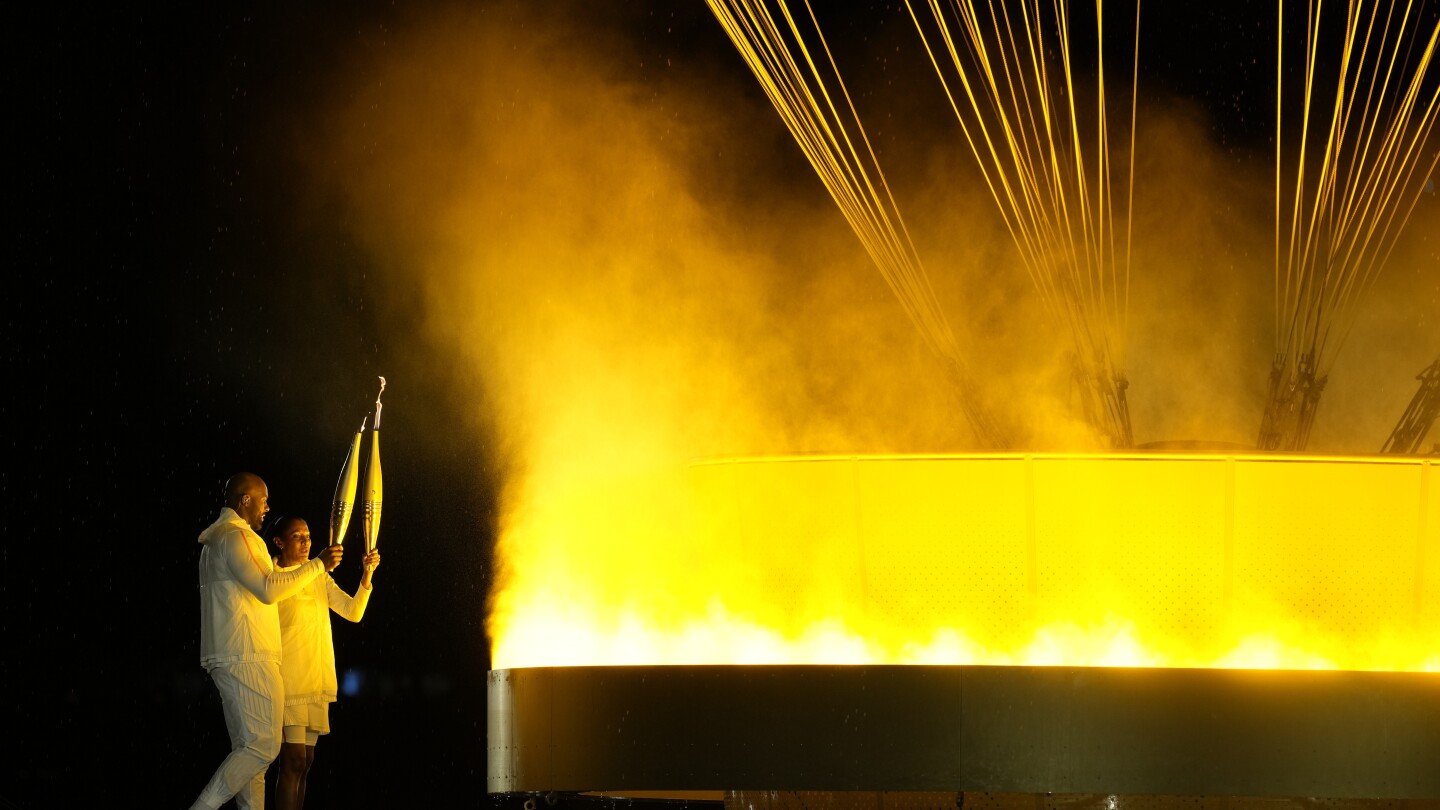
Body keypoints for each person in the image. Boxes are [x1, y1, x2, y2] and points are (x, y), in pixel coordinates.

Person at [190, 473, 343, 810]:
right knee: (263, 748)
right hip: (248, 655)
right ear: (245, 500)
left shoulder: (216, 541)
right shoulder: (237, 536)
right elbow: (269, 588)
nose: (267, 507)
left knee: (251, 755)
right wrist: (317, 565)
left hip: (231, 655)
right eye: (263, 499)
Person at [266, 515, 379, 810]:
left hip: (316, 675)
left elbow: (352, 611)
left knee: (307, 762)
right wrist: (318, 564)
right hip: (289, 678)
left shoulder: (317, 575)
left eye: (308, 536)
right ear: (279, 542)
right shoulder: (271, 575)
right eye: (297, 536)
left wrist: (366, 575)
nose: (305, 542)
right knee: (293, 761)